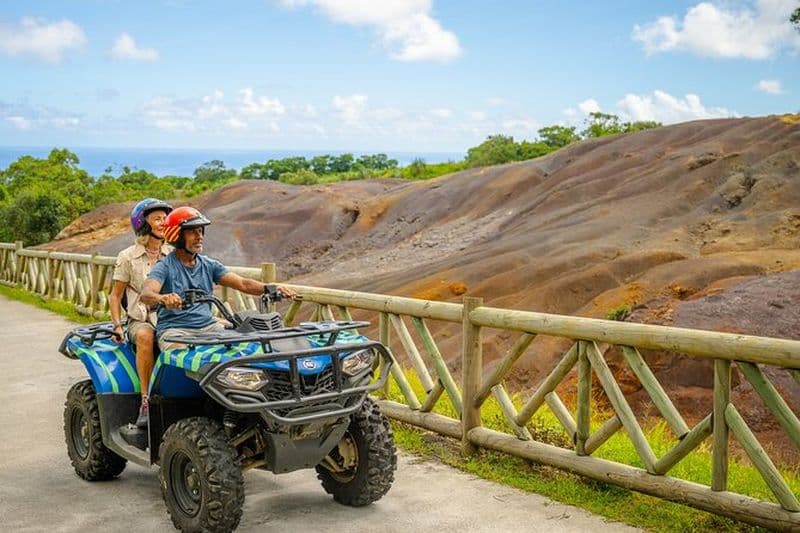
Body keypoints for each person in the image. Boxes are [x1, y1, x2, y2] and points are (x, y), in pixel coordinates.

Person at [140, 205, 296, 364]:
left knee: (243, 352)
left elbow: (243, 283)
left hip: (209, 327)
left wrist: (270, 288)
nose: (199, 236)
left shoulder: (208, 265)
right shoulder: (164, 266)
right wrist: (163, 298)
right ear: (177, 236)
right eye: (192, 231)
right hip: (176, 331)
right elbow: (146, 294)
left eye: (200, 231)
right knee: (183, 359)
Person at [109, 198, 173, 428]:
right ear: (143, 224)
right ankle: (145, 400)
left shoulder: (172, 253)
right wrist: (118, 326)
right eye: (157, 219)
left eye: (165, 218)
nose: (163, 222)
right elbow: (115, 296)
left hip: (170, 317)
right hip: (141, 319)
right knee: (146, 336)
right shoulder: (127, 256)